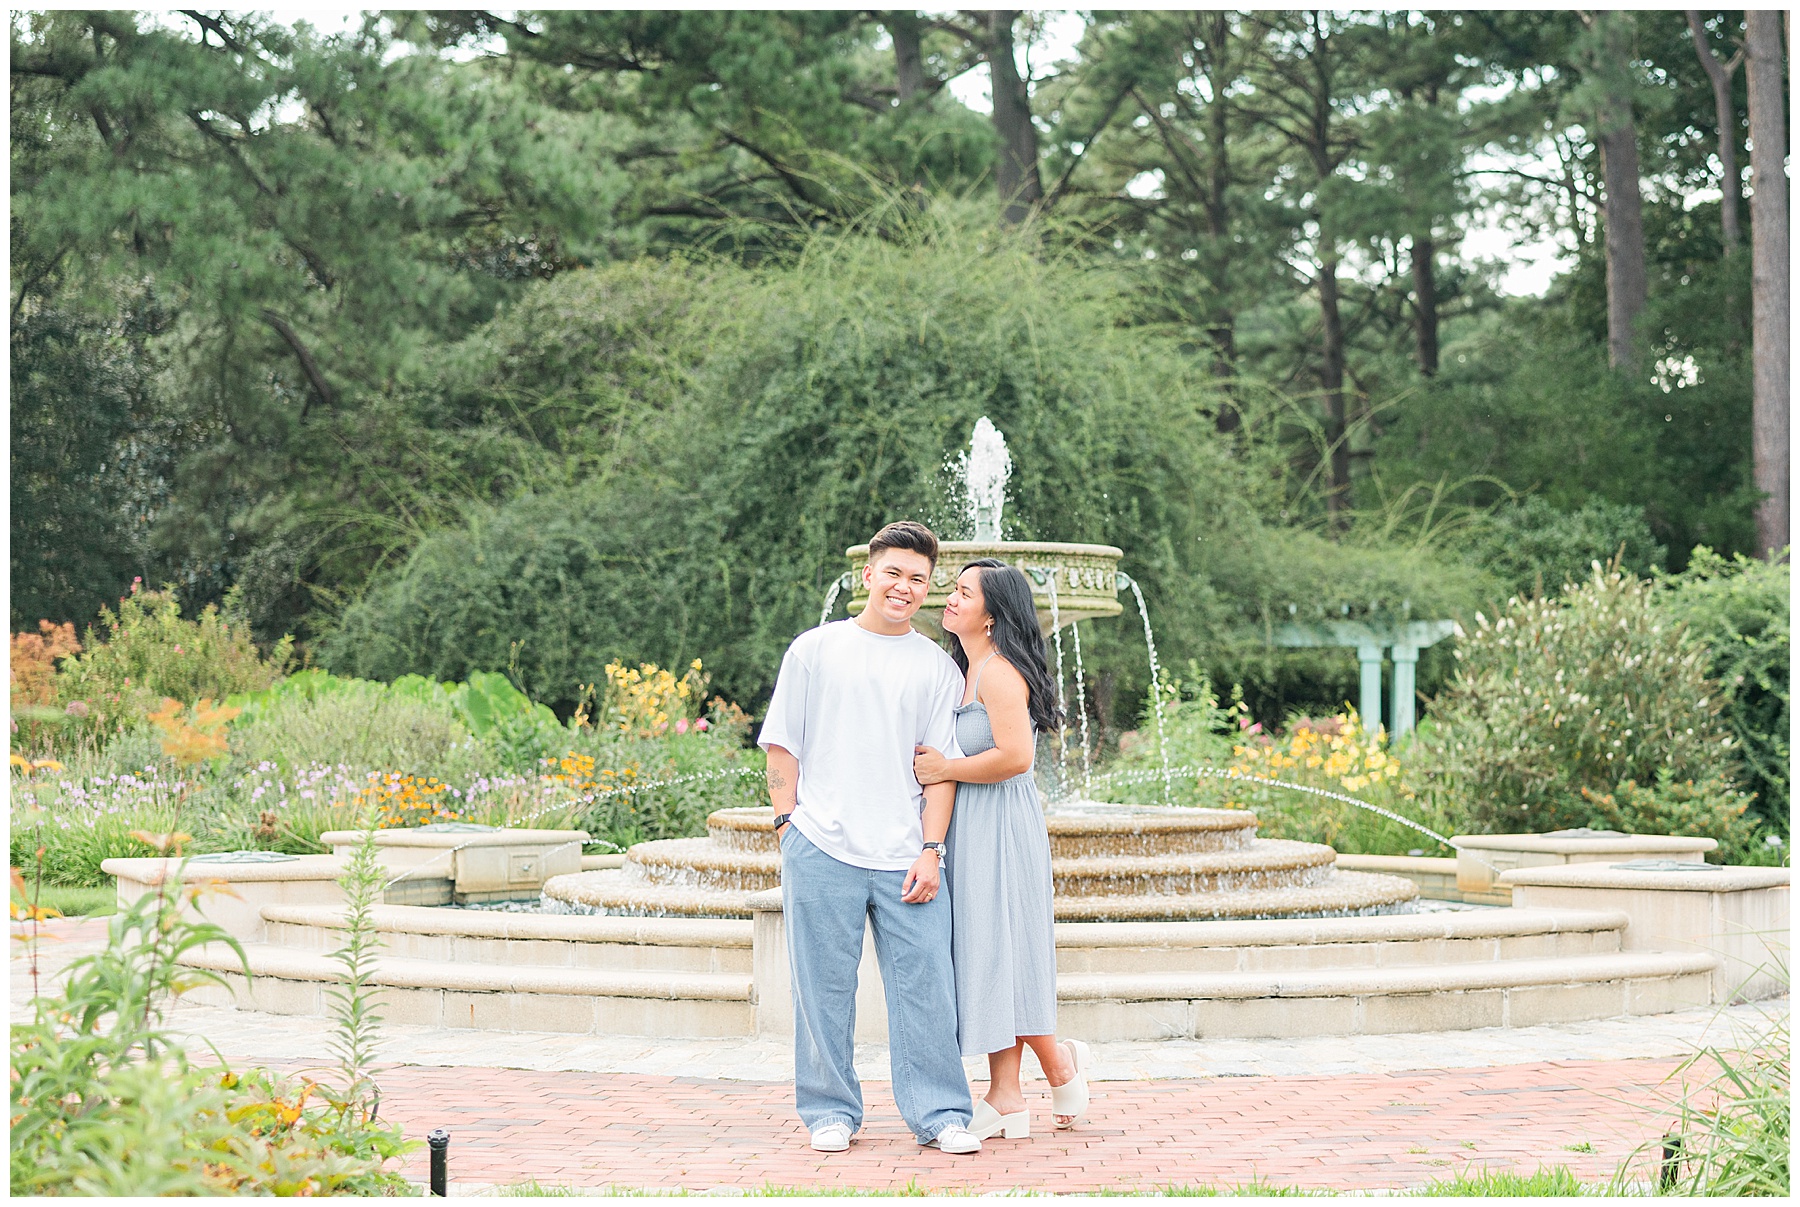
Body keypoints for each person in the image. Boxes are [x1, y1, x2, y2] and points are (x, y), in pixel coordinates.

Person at [758, 520, 984, 1156]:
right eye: (894, 573)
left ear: (928, 589)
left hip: (905, 854)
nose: (904, 588)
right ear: (869, 574)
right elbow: (783, 743)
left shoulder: (937, 667)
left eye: (918, 579)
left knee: (927, 991)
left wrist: (932, 850)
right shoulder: (814, 649)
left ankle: (940, 1114)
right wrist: (786, 824)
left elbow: (938, 769)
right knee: (822, 989)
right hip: (820, 843)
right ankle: (830, 1111)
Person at [912, 558, 1090, 1140]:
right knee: (990, 952)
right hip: (972, 825)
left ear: (992, 616)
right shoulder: (966, 667)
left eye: (964, 593)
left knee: (1002, 949)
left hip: (1002, 826)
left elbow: (1017, 757)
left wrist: (946, 767)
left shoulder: (997, 673)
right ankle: (1018, 1087)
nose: (951, 599)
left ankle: (1029, 1082)